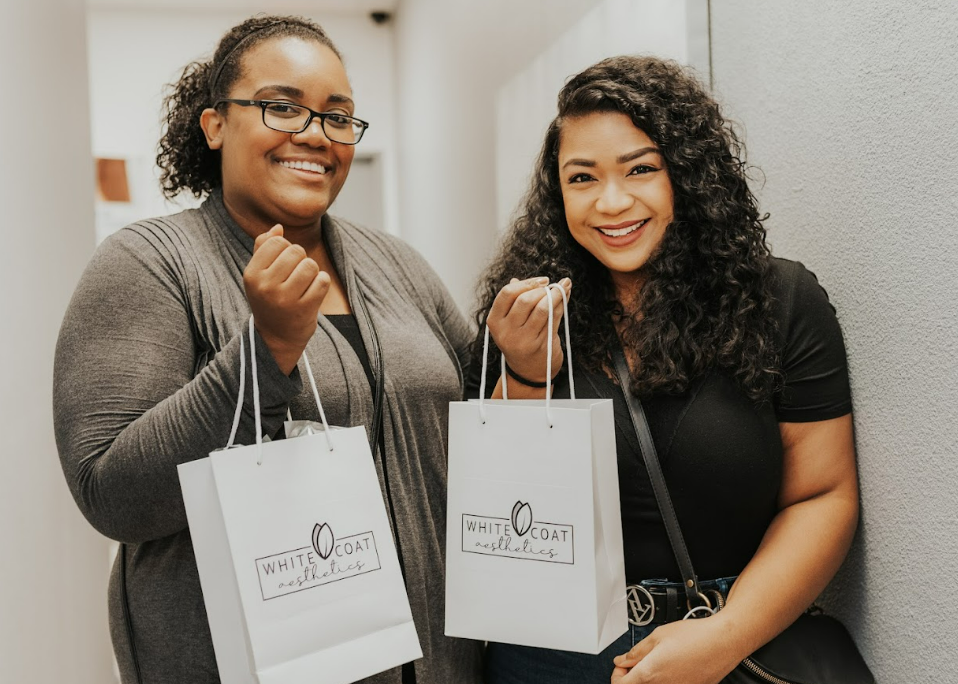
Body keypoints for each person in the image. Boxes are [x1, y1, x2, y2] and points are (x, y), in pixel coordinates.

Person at [54, 15, 482, 684]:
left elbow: (471, 438)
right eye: (282, 107)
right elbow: (112, 496)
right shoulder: (147, 266)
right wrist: (264, 353)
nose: (314, 133)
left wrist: (513, 363)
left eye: (337, 117)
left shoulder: (397, 264)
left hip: (441, 665)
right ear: (215, 124)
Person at [472, 55, 859, 684]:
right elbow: (502, 527)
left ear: (687, 174)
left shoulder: (778, 301)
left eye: (641, 169)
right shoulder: (527, 319)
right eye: (581, 178)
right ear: (557, 194)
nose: (612, 202)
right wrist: (525, 374)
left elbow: (823, 496)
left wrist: (723, 638)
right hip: (555, 658)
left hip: (740, 640)